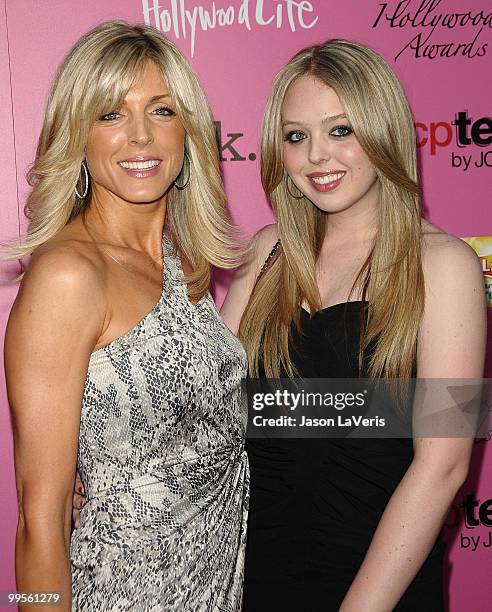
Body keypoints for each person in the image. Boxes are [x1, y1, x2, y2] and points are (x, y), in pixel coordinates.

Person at [220, 40, 486, 610]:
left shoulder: (447, 267)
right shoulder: (267, 253)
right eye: (297, 136)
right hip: (252, 578)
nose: (318, 155)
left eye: (341, 130)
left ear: (383, 132)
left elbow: (444, 466)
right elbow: (210, 408)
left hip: (378, 586)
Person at [5, 21, 248, 611]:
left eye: (162, 111)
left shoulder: (181, 264)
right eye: (110, 115)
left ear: (188, 130)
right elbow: (41, 519)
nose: (140, 136)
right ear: (78, 136)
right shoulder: (69, 275)